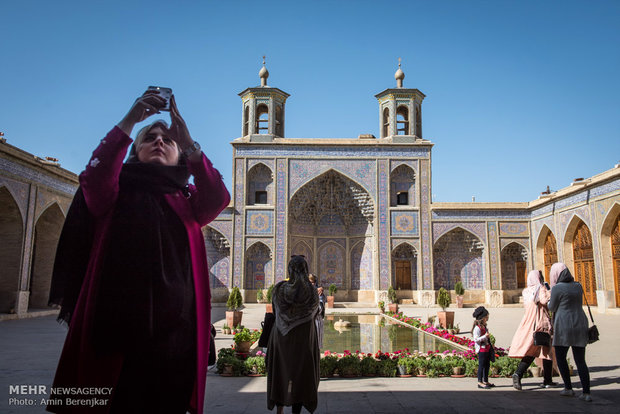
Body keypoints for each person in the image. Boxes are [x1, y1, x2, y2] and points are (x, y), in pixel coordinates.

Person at [47, 89, 230, 413]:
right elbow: (95, 175)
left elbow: (218, 197)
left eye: (167, 140)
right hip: (115, 341)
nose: (159, 141)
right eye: (149, 138)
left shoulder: (187, 201)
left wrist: (188, 142)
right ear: (133, 153)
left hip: (173, 346)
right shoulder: (113, 194)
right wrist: (132, 119)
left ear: (180, 157)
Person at [267, 256, 320, 414]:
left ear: (290, 269)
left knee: (280, 372)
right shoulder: (311, 292)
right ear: (305, 269)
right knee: (300, 374)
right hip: (303, 339)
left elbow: (275, 312)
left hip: (281, 337)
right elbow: (315, 313)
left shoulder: (279, 289)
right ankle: (296, 410)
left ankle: (279, 409)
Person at [548, 262, 592, 402]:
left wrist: (550, 296)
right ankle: (586, 393)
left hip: (564, 325)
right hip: (580, 322)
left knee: (561, 357)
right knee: (580, 360)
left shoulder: (557, 288)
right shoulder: (578, 286)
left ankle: (568, 388)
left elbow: (552, 307)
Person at [508, 270, 556, 390]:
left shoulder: (526, 291)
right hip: (541, 322)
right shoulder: (540, 289)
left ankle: (519, 374)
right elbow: (545, 301)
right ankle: (546, 380)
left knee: (532, 351)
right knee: (546, 352)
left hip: (529, 323)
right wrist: (548, 290)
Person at [472, 306, 494, 389]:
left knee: (487, 365)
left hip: (487, 348)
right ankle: (479, 382)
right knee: (481, 365)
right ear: (482, 318)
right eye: (486, 317)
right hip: (481, 350)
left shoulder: (484, 327)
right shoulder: (477, 328)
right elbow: (476, 339)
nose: (487, 319)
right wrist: (485, 336)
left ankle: (485, 380)